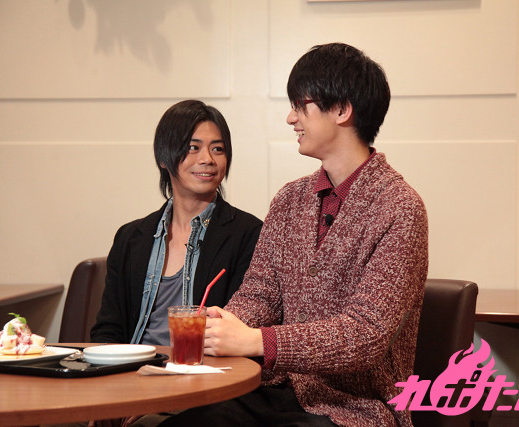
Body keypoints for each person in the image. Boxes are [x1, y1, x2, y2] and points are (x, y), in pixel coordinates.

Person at [161, 43, 429, 426]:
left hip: (355, 409)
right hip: (273, 392)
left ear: (342, 110)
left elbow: (366, 335)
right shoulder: (289, 199)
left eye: (300, 106)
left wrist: (258, 341)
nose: (291, 118)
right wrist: (226, 323)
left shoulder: (399, 207)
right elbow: (260, 294)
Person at [91, 100, 263, 346]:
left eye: (218, 149)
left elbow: (241, 326)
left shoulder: (249, 234)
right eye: (193, 147)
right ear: (163, 157)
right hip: (134, 365)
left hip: (204, 364)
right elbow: (108, 330)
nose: (207, 159)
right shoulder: (130, 237)